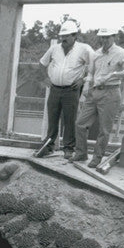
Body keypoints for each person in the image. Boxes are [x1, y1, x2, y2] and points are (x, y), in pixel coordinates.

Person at [71, 27, 124, 167]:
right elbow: (91, 73)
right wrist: (87, 86)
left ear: (113, 37)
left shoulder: (121, 53)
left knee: (104, 128)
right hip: (94, 91)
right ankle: (81, 153)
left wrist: (114, 75)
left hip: (110, 92)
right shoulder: (96, 54)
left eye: (107, 37)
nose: (104, 40)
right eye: (102, 37)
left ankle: (97, 157)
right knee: (80, 123)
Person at [37, 18, 93, 159]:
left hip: (71, 90)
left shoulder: (84, 49)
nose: (63, 39)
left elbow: (95, 64)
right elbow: (42, 63)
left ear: (75, 36)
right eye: (62, 36)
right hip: (55, 89)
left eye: (67, 36)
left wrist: (84, 79)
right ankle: (49, 146)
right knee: (53, 118)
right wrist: (45, 78)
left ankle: (69, 148)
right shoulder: (54, 48)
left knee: (70, 119)